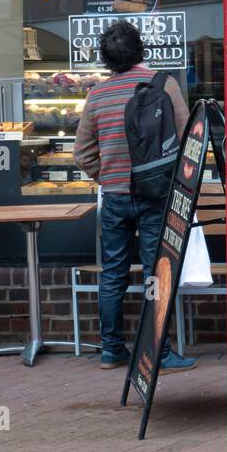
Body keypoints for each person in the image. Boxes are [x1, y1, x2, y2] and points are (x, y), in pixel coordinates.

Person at [74, 21, 197, 372]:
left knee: (112, 272)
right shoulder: (164, 84)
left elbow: (82, 154)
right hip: (156, 194)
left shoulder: (97, 95)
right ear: (140, 49)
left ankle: (111, 349)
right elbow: (186, 138)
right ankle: (159, 349)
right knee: (156, 273)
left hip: (115, 197)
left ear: (107, 58)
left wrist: (108, 176)